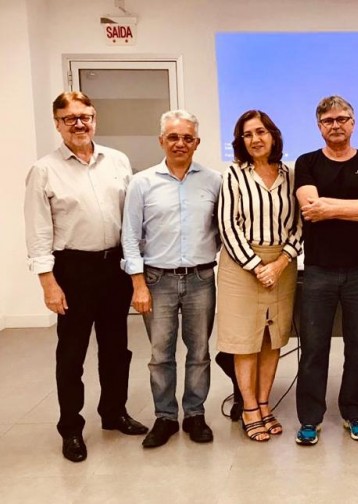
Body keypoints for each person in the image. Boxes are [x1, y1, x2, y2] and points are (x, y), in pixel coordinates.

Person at [23, 91, 147, 463]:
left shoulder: (118, 161)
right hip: (72, 269)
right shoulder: (44, 170)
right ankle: (71, 428)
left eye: (85, 117)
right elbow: (38, 231)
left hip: (114, 267)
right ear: (57, 123)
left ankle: (114, 412)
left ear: (94, 119)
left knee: (116, 349)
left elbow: (132, 219)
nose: (79, 124)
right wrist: (48, 282)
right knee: (71, 353)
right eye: (70, 118)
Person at [121, 110, 221, 448]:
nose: (180, 143)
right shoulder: (142, 182)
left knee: (200, 351)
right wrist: (138, 284)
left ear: (197, 142)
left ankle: (194, 414)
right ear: (161, 140)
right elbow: (130, 236)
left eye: (187, 138)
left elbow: (223, 229)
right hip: (156, 280)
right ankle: (165, 417)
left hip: (201, 279)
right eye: (173, 137)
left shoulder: (214, 181)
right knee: (160, 354)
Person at [294, 96, 358, 446]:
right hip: (318, 271)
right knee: (314, 349)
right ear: (319, 126)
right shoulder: (307, 162)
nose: (336, 125)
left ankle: (354, 414)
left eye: (342, 118)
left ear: (353, 123)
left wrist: (329, 208)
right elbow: (309, 207)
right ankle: (310, 419)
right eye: (329, 120)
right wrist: (356, 207)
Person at [217, 110, 302, 442]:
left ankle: (265, 404)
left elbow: (300, 224)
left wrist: (279, 263)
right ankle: (249, 408)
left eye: (261, 132)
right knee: (245, 340)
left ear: (273, 135)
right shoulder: (234, 175)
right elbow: (228, 226)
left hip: (282, 264)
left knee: (272, 338)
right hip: (241, 267)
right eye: (247, 134)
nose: (255, 139)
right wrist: (256, 266)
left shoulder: (290, 175)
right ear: (241, 141)